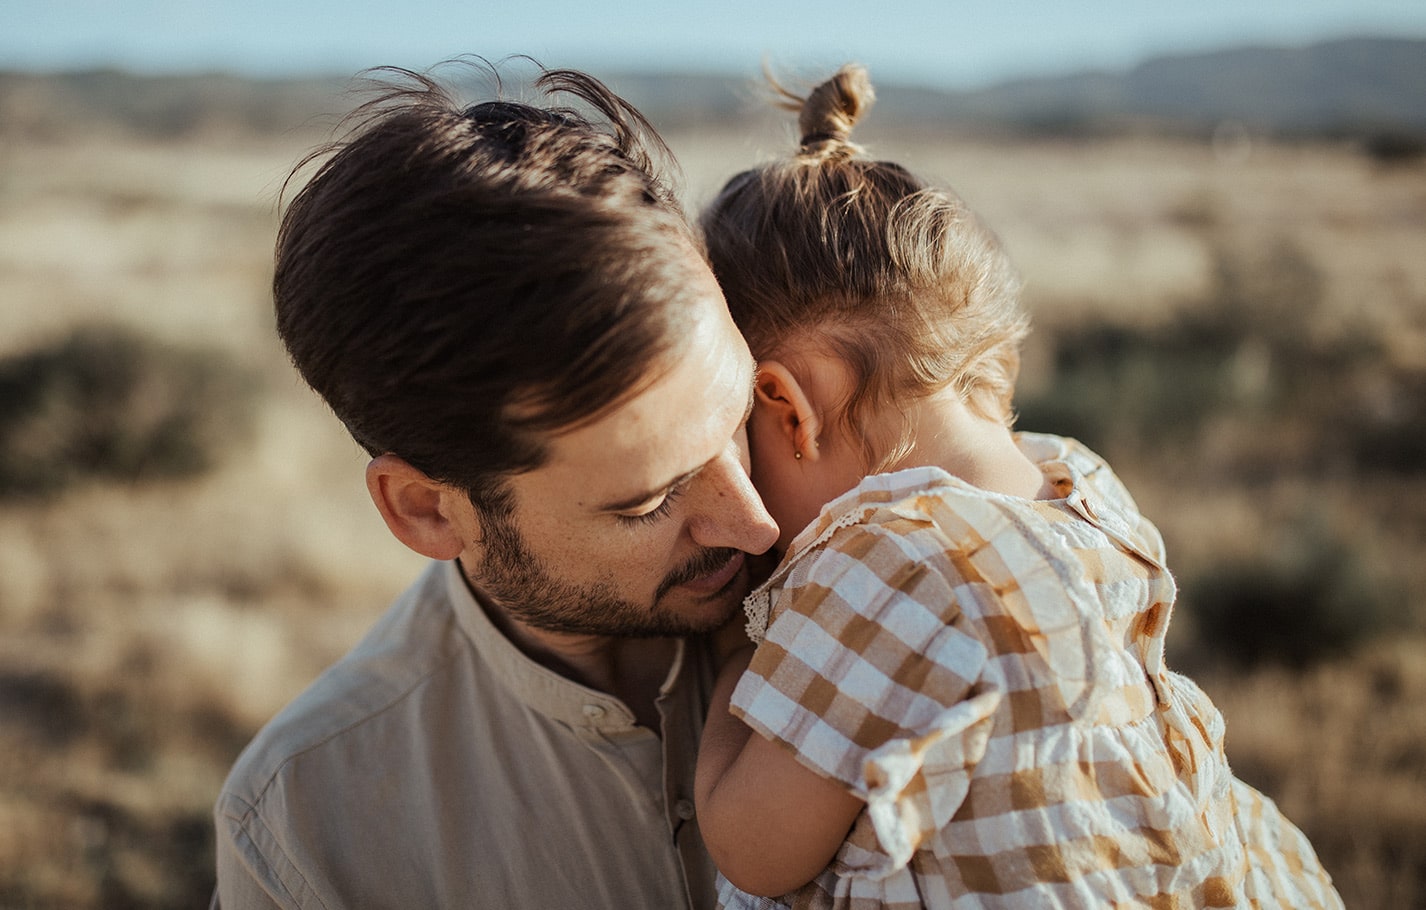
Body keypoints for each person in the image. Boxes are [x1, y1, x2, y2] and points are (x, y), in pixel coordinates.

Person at [693, 64, 1343, 909]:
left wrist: (729, 659)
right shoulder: (1084, 488)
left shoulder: (883, 567)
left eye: (734, 443)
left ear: (786, 410)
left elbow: (751, 848)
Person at [211, 61, 779, 909]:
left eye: (741, 416)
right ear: (427, 511)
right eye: (647, 502)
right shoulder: (305, 827)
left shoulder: (904, 574)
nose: (758, 524)